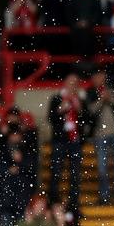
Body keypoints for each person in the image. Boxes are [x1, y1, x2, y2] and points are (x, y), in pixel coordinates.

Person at [85, 71, 114, 205]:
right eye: (96, 76)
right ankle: (104, 197)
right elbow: (89, 110)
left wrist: (110, 98)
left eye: (101, 75)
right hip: (99, 135)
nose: (99, 78)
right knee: (102, 168)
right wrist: (101, 100)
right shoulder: (91, 92)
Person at [46, 74, 86, 212]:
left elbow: (87, 119)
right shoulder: (56, 98)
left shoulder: (80, 99)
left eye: (75, 83)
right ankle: (53, 201)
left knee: (75, 174)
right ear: (65, 84)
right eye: (70, 83)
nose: (72, 86)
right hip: (60, 140)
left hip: (75, 141)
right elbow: (51, 118)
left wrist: (79, 109)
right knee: (56, 171)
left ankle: (73, 203)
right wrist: (60, 110)